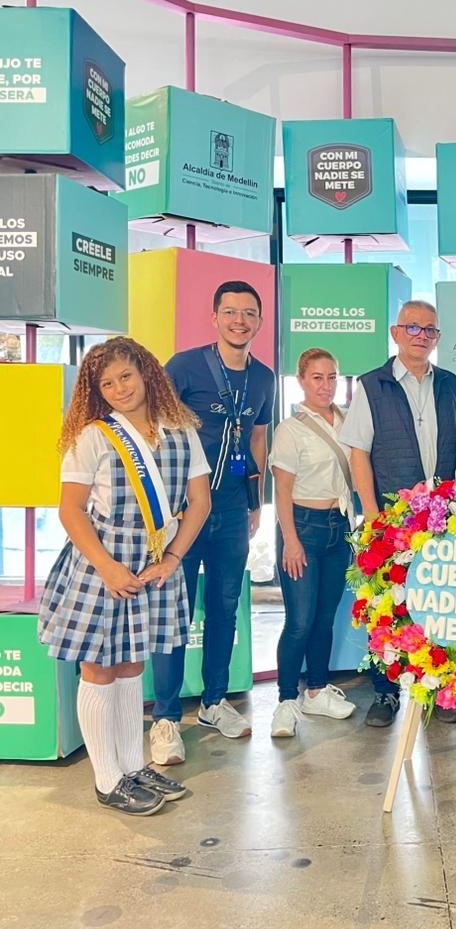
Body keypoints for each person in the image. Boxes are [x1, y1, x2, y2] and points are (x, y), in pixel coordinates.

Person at [38, 338, 211, 814]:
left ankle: (134, 767)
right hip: (102, 560)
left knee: (133, 663)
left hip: (157, 560)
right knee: (98, 667)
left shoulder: (182, 429)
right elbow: (70, 510)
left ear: (147, 374)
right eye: (106, 383)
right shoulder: (92, 435)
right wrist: (107, 566)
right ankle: (107, 778)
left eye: (126, 377)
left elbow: (200, 503)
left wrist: (174, 557)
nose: (118, 389)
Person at [148, 281, 275, 764]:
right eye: (230, 312)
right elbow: (151, 429)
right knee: (173, 611)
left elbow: (258, 439)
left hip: (230, 511)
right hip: (182, 512)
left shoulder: (263, 378)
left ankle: (214, 702)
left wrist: (255, 503)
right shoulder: (184, 366)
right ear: (214, 317)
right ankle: (164, 717)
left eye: (249, 313)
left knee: (224, 607)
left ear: (259, 321)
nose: (239, 320)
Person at [340, 299, 456, 727]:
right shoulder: (372, 385)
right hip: (391, 519)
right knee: (388, 607)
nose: (422, 336)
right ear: (395, 333)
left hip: (443, 517)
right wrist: (373, 515)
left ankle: (440, 689)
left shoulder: (449, 383)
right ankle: (385, 694)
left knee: (439, 602)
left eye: (430, 330)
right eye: (413, 328)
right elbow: (359, 452)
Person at [268, 349, 356, 738]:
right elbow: (281, 490)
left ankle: (316, 691)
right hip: (302, 527)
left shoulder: (347, 421)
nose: (326, 385)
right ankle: (286, 701)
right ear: (301, 380)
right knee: (300, 620)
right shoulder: (290, 429)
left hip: (340, 528)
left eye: (332, 377)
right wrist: (290, 541)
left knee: (325, 618)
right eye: (317, 377)